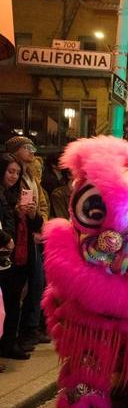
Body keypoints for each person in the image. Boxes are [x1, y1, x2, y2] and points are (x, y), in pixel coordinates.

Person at [5, 138, 50, 350]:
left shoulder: (31, 178)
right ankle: (17, 336)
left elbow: (40, 208)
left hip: (28, 237)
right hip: (15, 241)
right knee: (16, 292)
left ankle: (24, 332)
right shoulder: (16, 182)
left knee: (34, 284)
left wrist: (39, 223)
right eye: (27, 147)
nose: (33, 151)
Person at [0, 154, 42, 360]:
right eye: (10, 171)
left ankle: (10, 343)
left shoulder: (19, 193)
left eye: (17, 172)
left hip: (20, 255)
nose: (14, 176)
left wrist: (32, 214)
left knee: (14, 301)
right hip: (5, 256)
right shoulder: (3, 196)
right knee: (4, 304)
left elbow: (37, 225)